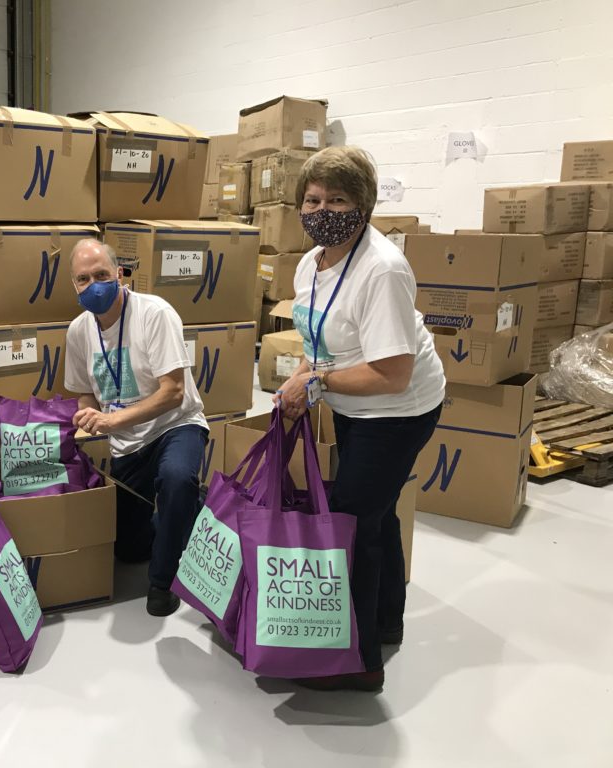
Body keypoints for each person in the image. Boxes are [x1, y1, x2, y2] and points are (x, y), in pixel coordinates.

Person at [274, 146, 445, 691]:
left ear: (364, 204)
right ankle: (386, 621)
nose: (324, 209)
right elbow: (313, 332)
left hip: (397, 410)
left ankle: (359, 663)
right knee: (377, 513)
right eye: (314, 199)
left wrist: (317, 382)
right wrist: (303, 374)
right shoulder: (313, 261)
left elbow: (393, 374)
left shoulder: (383, 270)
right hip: (354, 404)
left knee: (352, 523)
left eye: (338, 198)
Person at [64, 239, 209, 617]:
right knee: (128, 549)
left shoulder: (154, 314)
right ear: (74, 286)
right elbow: (83, 395)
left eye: (101, 275)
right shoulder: (78, 332)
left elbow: (174, 393)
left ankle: (162, 585)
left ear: (119, 275)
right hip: (126, 444)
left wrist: (111, 420)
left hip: (175, 426)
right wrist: (87, 415)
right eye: (83, 279)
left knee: (177, 478)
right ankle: (191, 512)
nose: (93, 284)